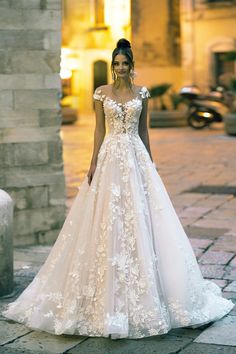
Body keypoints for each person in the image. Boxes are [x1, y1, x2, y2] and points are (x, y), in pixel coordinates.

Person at [3, 38, 234, 339]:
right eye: (116, 64)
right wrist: (92, 163)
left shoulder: (142, 93)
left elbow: (143, 130)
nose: (121, 68)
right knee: (105, 219)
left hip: (135, 155)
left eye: (125, 64)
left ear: (131, 65)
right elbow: (99, 129)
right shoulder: (101, 93)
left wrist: (150, 163)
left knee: (141, 217)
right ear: (113, 67)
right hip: (110, 155)